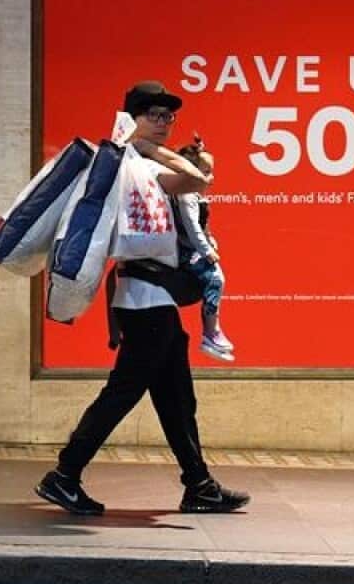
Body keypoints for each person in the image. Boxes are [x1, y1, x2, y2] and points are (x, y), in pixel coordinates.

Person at [36, 81, 250, 516]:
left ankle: (199, 485)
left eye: (168, 116)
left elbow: (197, 180)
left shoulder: (146, 166)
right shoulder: (127, 166)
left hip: (156, 301)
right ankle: (64, 474)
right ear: (131, 117)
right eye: (153, 114)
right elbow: (195, 178)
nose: (163, 123)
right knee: (123, 393)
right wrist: (151, 151)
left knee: (176, 397)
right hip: (144, 301)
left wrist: (159, 152)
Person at [174, 137, 234, 362]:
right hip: (185, 252)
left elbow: (202, 226)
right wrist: (206, 251)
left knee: (217, 278)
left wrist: (211, 242)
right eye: (206, 171)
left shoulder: (196, 196)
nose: (211, 177)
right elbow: (191, 227)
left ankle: (212, 331)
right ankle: (210, 333)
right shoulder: (186, 195)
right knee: (216, 278)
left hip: (195, 248)